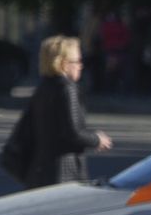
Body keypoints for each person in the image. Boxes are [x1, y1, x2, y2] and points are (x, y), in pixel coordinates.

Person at [24, 35, 112, 186]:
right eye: (77, 61)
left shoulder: (44, 87)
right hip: (65, 171)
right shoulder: (67, 88)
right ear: (64, 64)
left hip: (42, 169)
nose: (81, 66)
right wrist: (97, 139)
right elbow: (73, 132)